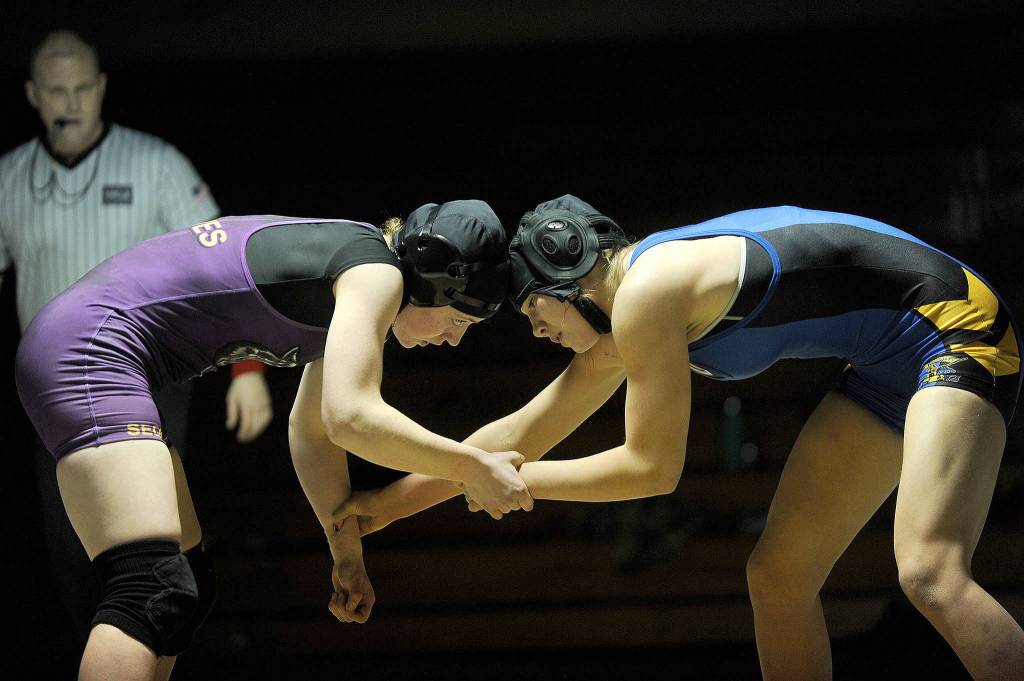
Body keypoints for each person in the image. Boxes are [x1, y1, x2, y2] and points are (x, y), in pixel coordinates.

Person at [336, 196, 1023, 680]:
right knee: (778, 578)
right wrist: (387, 507)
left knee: (930, 570)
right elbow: (519, 432)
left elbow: (651, 469)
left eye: (531, 310)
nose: (537, 332)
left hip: (955, 329)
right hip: (889, 363)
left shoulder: (648, 292)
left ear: (566, 273)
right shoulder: (633, 303)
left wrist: (516, 483)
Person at [15, 200, 533, 681]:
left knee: (185, 585)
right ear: (433, 284)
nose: (453, 339)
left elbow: (312, 430)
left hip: (87, 347)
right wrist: (470, 465)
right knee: (150, 586)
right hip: (89, 350)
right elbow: (350, 417)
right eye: (458, 320)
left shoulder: (355, 268)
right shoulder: (376, 274)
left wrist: (345, 550)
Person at [0, 29, 272, 659]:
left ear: (100, 89)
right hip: (53, 388)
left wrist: (249, 368)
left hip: (150, 372)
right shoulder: (10, 178)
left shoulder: (156, 165)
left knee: (154, 552)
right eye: (55, 91)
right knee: (69, 542)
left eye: (81, 88)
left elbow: (226, 262)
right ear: (33, 96)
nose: (69, 103)